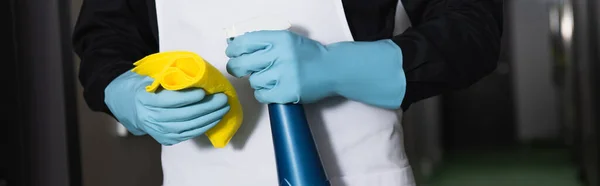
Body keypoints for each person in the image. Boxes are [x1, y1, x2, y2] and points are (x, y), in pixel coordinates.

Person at [73, 0, 503, 185]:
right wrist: (125, 93)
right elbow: (105, 36)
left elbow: (472, 27)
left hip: (358, 175)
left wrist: (338, 67)